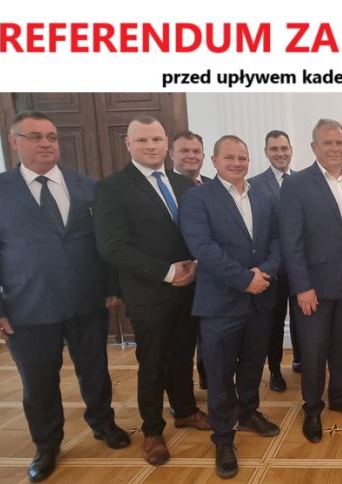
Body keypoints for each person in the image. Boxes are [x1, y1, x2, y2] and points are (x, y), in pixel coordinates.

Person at [0, 111, 130, 482]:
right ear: (14, 141)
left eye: (51, 137)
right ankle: (47, 444)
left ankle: (103, 423)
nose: (45, 143)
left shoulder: (88, 186)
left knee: (95, 370)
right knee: (38, 381)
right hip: (27, 306)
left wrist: (111, 288)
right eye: (35, 136)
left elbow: (103, 243)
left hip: (86, 300)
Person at [93, 115, 209, 467]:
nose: (150, 146)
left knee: (183, 354)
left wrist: (195, 264)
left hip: (189, 289)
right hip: (148, 293)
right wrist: (167, 272)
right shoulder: (112, 188)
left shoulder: (185, 184)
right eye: (142, 140)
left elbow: (198, 232)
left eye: (156, 139)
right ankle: (153, 431)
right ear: (128, 144)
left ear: (166, 143)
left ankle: (185, 411)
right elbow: (113, 247)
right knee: (153, 363)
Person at [180, 135, 282, 479]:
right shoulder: (197, 198)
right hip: (220, 304)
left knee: (253, 365)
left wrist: (264, 272)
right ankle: (223, 436)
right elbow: (203, 247)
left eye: (242, 158)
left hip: (260, 299)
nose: (237, 163)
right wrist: (244, 279)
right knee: (220, 374)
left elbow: (278, 241)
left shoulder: (264, 196)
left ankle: (248, 412)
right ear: (214, 160)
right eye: (230, 158)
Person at [279, 118, 342, 443]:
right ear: (314, 147)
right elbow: (290, 242)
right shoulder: (296, 184)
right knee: (314, 351)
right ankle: (312, 408)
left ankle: (339, 396)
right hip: (313, 288)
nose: (334, 148)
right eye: (327, 143)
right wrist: (302, 286)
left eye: (339, 143)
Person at [248, 130, 301, 392]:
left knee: (304, 317)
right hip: (273, 267)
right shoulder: (254, 184)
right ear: (266, 152)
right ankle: (275, 370)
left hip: (302, 265)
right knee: (275, 323)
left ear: (291, 149)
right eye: (274, 149)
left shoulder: (304, 180)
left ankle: (302, 360)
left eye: (284, 148)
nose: (280, 153)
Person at [169, 130, 210, 390]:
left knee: (210, 338)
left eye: (196, 151)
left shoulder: (213, 185)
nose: (191, 156)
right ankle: (181, 397)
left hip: (210, 276)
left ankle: (209, 380)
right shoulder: (162, 186)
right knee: (180, 344)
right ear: (171, 154)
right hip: (178, 277)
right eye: (184, 151)